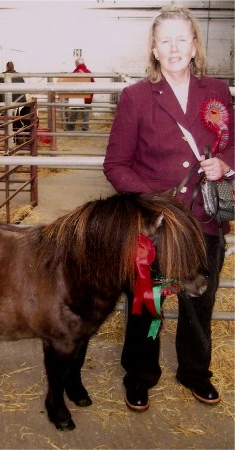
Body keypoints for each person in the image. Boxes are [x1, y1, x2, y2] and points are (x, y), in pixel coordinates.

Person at [103, 4, 234, 412]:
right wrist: (154, 202)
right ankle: (141, 374)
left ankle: (195, 371)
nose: (174, 48)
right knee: (147, 303)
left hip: (203, 221)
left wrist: (225, 163)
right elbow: (116, 165)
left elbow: (233, 142)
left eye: (182, 39)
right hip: (154, 225)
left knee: (200, 300)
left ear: (194, 46)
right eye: (165, 41)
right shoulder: (136, 97)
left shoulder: (216, 91)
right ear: (155, 50)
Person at [67, 57, 94, 131]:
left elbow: (71, 84)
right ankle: (85, 127)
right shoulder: (88, 72)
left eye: (75, 64)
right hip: (87, 95)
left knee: (74, 112)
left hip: (77, 95)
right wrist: (91, 96)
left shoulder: (75, 72)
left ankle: (71, 127)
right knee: (86, 113)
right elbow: (93, 85)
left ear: (77, 64)